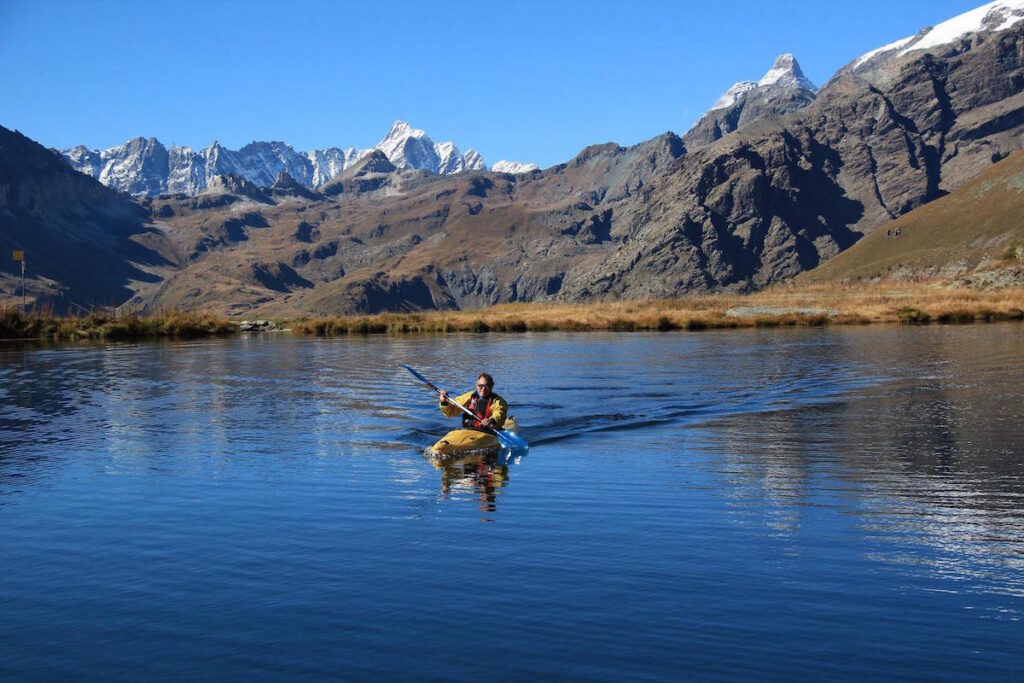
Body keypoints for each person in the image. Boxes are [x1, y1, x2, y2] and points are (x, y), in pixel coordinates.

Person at [439, 372, 508, 432]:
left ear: (492, 386)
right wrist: (444, 402)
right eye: (480, 386)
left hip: (488, 432)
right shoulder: (469, 396)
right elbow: (450, 412)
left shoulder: (498, 401)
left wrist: (491, 420)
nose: (483, 389)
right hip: (468, 431)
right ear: (476, 385)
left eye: (487, 386)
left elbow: (499, 413)